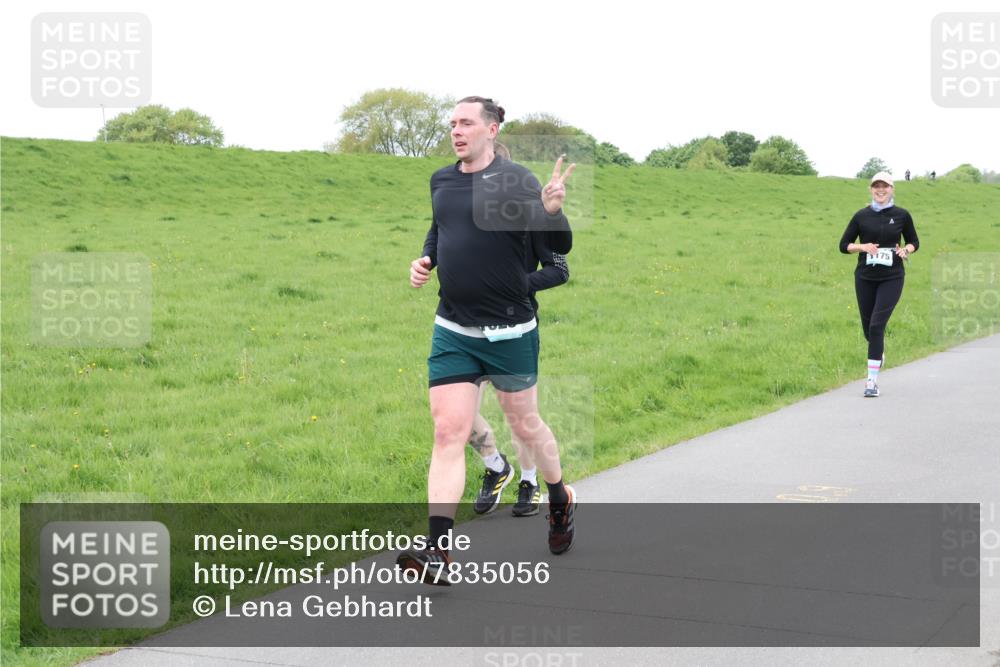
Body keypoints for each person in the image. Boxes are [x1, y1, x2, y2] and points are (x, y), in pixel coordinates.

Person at [397, 97, 578, 584]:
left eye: (466, 123)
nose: (456, 130)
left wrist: (554, 212)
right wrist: (426, 260)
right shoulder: (442, 179)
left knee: (526, 428)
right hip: (454, 328)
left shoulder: (518, 182)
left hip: (510, 332)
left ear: (492, 129)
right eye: (452, 123)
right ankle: (438, 550)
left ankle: (558, 496)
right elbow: (441, 227)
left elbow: (558, 256)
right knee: (447, 433)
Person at [469, 224, 570, 517]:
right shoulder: (464, 205)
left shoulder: (531, 216)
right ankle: (496, 467)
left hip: (513, 330)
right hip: (466, 327)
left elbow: (559, 269)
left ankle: (529, 480)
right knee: (460, 414)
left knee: (519, 419)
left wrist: (516, 284)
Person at [839, 171, 919, 397]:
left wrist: (906, 250)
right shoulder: (860, 216)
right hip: (865, 277)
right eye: (876, 186)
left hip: (892, 277)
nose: (880, 190)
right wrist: (862, 247)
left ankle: (871, 382)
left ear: (892, 189)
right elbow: (843, 245)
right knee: (868, 329)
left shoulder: (902, 215)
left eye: (885, 186)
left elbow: (914, 241)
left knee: (876, 326)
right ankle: (878, 352)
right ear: (871, 189)